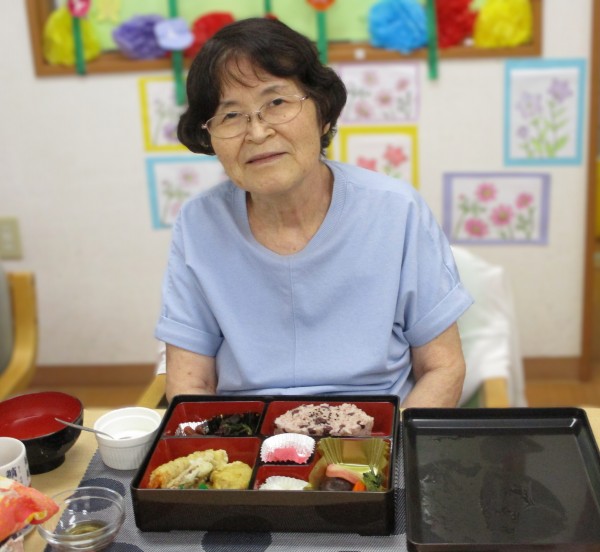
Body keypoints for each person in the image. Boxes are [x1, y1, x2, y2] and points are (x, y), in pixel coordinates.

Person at [155, 17, 473, 406]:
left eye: (276, 103)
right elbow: (191, 384)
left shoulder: (397, 211)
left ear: (322, 114)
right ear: (210, 136)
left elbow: (443, 367)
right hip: (246, 429)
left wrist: (393, 444)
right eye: (231, 115)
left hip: (378, 426)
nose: (257, 132)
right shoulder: (199, 224)